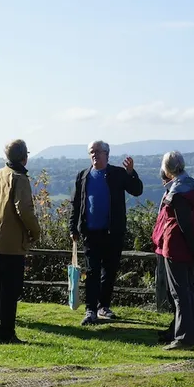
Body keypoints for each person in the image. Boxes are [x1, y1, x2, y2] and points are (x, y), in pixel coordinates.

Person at [69, 140, 143, 326]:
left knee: (109, 272)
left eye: (98, 152)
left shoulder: (117, 174)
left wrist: (131, 173)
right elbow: (76, 204)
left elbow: (137, 190)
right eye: (91, 152)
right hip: (90, 233)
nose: (94, 155)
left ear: (106, 154)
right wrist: (73, 228)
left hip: (113, 233)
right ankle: (90, 310)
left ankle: (104, 306)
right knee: (92, 273)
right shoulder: (83, 176)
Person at [0, 139, 41, 344]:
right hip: (12, 244)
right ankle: (7, 333)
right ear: (24, 157)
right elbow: (25, 210)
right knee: (10, 291)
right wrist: (35, 231)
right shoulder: (19, 178)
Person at [152, 151, 194, 350]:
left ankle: (183, 338)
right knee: (187, 292)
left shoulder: (176, 193)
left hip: (175, 247)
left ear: (166, 169)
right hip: (191, 247)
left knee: (179, 294)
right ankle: (192, 334)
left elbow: (183, 224)